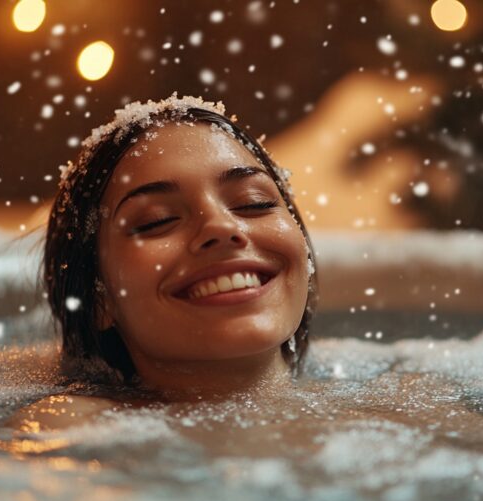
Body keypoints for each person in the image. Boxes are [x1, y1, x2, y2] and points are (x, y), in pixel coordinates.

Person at [39, 94, 318, 405]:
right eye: (157, 221)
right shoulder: (67, 436)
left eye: (253, 202)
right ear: (98, 297)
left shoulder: (378, 396)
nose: (222, 227)